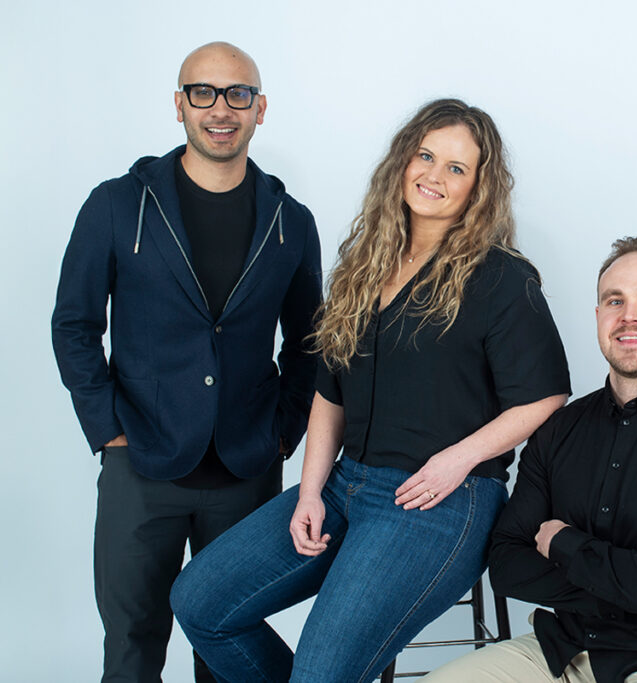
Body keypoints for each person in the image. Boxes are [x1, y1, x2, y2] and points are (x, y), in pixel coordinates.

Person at [170, 98, 571, 682]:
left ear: (478, 189)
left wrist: (456, 460)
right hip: (346, 485)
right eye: (425, 156)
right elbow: (329, 394)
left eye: (456, 168)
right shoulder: (364, 266)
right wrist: (310, 491)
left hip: (438, 501)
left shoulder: (500, 276)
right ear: (402, 160)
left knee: (321, 674)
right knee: (201, 603)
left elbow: (544, 395)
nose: (434, 175)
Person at [51, 42, 322, 682]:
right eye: (203, 92)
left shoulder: (290, 220)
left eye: (238, 94)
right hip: (140, 464)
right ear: (180, 105)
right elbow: (74, 325)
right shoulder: (117, 205)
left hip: (247, 467)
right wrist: (108, 431)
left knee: (226, 645)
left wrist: (284, 433)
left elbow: (310, 339)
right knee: (133, 643)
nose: (220, 109)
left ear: (260, 108)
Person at [424, 237, 637, 683]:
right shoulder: (558, 428)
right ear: (598, 317)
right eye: (615, 301)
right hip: (561, 652)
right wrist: (634, 581)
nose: (629, 316)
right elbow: (506, 565)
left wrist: (563, 544)